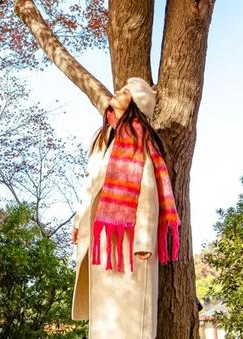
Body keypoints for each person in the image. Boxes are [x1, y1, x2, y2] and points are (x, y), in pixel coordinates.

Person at [70, 77, 181, 339]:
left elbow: (148, 190)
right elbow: (90, 184)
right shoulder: (103, 137)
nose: (118, 92)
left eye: (125, 92)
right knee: (106, 317)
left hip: (129, 240)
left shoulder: (139, 140)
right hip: (101, 235)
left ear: (135, 104)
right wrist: (78, 222)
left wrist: (144, 239)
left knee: (131, 319)